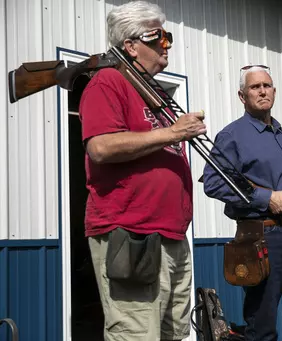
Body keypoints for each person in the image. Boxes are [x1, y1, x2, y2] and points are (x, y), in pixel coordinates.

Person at [78, 2, 207, 340]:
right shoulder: (107, 82)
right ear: (131, 45)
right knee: (136, 334)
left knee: (173, 333)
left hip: (171, 235)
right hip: (132, 232)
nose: (166, 44)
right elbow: (101, 147)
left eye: (168, 37)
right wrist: (175, 132)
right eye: (157, 37)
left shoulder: (153, 95)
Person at [202, 65, 282, 341]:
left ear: (274, 91)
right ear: (242, 96)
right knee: (262, 324)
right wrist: (265, 198)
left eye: (267, 85)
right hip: (262, 236)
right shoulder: (231, 136)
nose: (262, 91)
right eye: (254, 87)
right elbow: (213, 183)